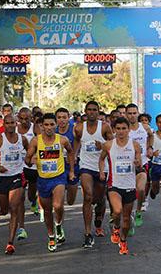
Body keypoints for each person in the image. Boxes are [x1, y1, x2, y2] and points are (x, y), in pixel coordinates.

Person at [26, 113, 75, 252]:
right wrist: (32, 160)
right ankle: (51, 235)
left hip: (58, 177)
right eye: (46, 125)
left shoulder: (62, 140)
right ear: (42, 126)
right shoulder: (36, 141)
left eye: (51, 124)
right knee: (47, 210)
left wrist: (71, 171)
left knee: (58, 205)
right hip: (43, 180)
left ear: (56, 125)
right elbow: (27, 159)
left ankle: (58, 224)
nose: (49, 127)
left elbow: (71, 153)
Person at [0, 114, 28, 255]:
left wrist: (30, 160)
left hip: (17, 176)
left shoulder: (23, 139)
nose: (10, 125)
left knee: (14, 208)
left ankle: (10, 243)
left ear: (16, 123)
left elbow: (30, 152)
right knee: (4, 209)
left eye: (12, 123)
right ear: (4, 124)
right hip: (2, 177)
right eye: (7, 123)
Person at [73, 101, 114, 248]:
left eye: (94, 110)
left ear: (98, 111)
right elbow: (75, 145)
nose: (91, 112)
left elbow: (113, 146)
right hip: (86, 167)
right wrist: (72, 166)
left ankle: (99, 219)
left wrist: (102, 146)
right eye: (89, 110)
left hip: (102, 167)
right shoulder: (79, 128)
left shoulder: (104, 127)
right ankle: (87, 233)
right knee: (88, 196)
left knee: (100, 198)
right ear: (85, 111)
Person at [99, 117, 142, 255]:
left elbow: (139, 160)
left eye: (124, 128)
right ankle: (116, 228)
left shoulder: (134, 145)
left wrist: (137, 162)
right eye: (118, 129)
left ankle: (123, 241)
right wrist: (101, 172)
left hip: (129, 185)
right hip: (114, 184)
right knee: (117, 211)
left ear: (129, 130)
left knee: (126, 217)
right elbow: (101, 159)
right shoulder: (108, 145)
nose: (121, 131)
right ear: (114, 130)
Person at [126, 103, 153, 226]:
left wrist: (149, 147)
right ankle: (128, 216)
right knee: (128, 193)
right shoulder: (123, 128)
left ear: (138, 113)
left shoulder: (145, 127)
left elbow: (151, 136)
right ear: (126, 115)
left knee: (141, 189)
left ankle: (138, 211)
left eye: (134, 113)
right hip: (127, 165)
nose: (132, 116)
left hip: (142, 163)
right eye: (130, 113)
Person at [56, 107, 78, 205]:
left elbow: (79, 142)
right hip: (57, 165)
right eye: (59, 117)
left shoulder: (74, 129)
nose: (61, 120)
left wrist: (75, 155)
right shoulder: (53, 130)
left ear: (68, 118)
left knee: (70, 201)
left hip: (71, 164)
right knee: (58, 200)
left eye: (64, 117)